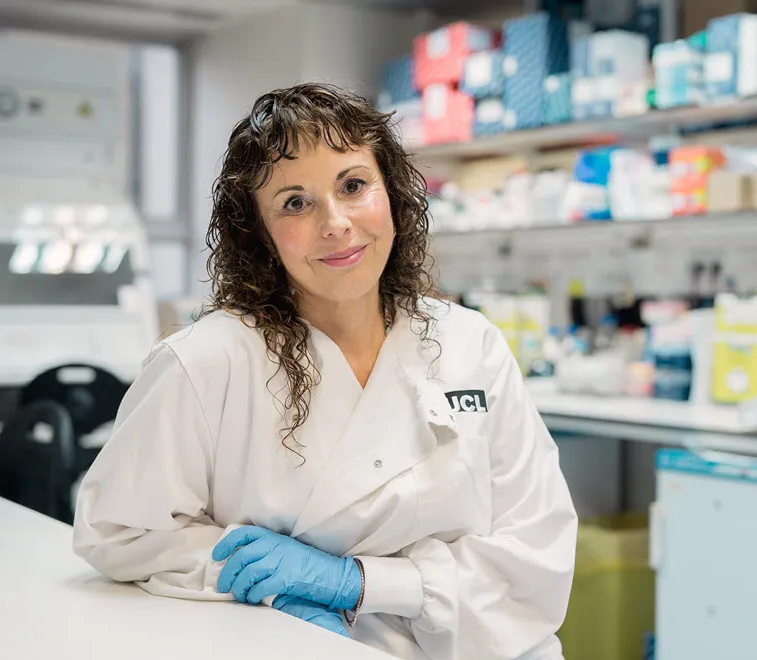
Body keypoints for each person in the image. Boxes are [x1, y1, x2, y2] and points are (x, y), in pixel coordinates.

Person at [73, 82, 578, 660]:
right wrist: (255, 586)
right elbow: (119, 532)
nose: (335, 222)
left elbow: (538, 551)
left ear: (392, 193)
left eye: (353, 186)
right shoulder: (208, 360)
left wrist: (359, 582)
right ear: (259, 235)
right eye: (295, 202)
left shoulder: (470, 343)